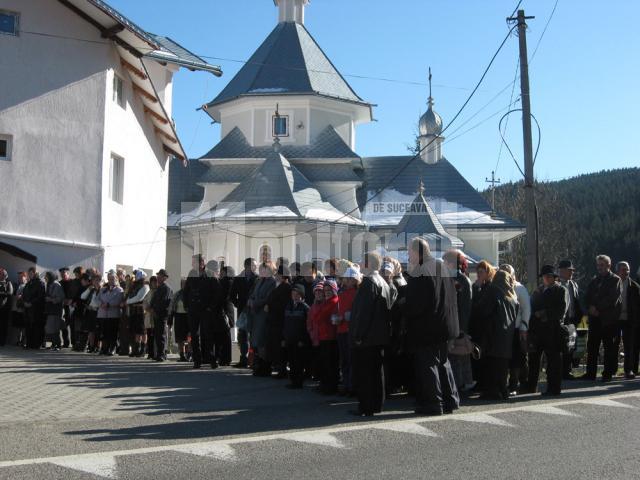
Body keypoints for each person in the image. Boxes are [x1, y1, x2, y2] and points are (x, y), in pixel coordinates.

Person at [403, 238, 459, 416]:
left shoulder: (420, 271)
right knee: (444, 363)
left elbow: (417, 304)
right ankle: (450, 400)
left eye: (409, 252)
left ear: (417, 252)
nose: (408, 256)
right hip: (445, 324)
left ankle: (433, 403)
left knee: (428, 365)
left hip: (427, 327)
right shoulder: (441, 266)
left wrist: (404, 305)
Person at [350, 251, 393, 417]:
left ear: (368, 264)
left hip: (367, 338)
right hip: (379, 336)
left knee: (365, 373)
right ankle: (377, 404)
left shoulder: (369, 282)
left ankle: (366, 406)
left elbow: (363, 313)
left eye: (362, 261)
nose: (359, 264)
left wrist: (358, 336)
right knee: (377, 372)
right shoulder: (383, 281)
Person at [476, 270, 518, 401]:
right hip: (507, 336)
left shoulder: (493, 291)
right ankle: (503, 390)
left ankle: (492, 391)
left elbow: (483, 310)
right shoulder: (512, 297)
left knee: (491, 365)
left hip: (492, 333)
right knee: (502, 366)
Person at [527, 265, 569, 395]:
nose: (546, 278)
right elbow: (531, 307)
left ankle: (554, 388)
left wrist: (544, 313)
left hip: (553, 330)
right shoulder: (538, 291)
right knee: (534, 360)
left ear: (554, 277)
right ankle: (531, 386)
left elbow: (561, 311)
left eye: (549, 276)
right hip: (537, 330)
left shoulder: (561, 290)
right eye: (544, 276)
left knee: (553, 361)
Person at [583, 255, 622, 382]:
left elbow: (612, 299)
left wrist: (597, 308)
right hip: (594, 320)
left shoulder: (615, 280)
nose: (599, 267)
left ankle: (607, 374)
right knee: (592, 347)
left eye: (602, 265)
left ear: (609, 265)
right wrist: (589, 307)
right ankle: (590, 373)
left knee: (608, 347)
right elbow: (587, 296)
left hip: (608, 320)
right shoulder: (594, 280)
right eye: (598, 265)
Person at [443, 251, 474, 393]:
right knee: (456, 356)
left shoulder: (461, 280)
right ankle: (459, 384)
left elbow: (465, 306)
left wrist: (462, 328)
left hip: (459, 325)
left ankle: (461, 385)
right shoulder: (452, 278)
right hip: (454, 323)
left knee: (459, 356)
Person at [500, 264, 530, 395]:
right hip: (504, 329)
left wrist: (524, 327)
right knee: (506, 358)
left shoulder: (519, 288)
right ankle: (507, 384)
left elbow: (526, 309)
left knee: (518, 358)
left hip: (517, 328)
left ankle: (515, 384)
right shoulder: (498, 287)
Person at [183, 255, 215, 369]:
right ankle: (197, 360)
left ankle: (211, 358)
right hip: (193, 309)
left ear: (202, 263)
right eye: (192, 262)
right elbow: (185, 291)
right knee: (194, 335)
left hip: (205, 310)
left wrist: (211, 307)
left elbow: (217, 293)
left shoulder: (210, 275)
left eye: (195, 262)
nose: (193, 264)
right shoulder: (191, 274)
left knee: (207, 334)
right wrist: (186, 305)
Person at [469, 260, 496, 392]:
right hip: (476, 327)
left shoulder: (490, 287)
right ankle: (479, 381)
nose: (479, 274)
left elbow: (480, 307)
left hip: (486, 328)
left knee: (483, 355)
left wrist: (476, 288)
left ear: (488, 272)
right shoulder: (478, 286)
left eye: (481, 272)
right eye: (477, 272)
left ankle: (484, 382)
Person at [247, 261, 277, 376]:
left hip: (264, 315)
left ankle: (265, 366)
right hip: (255, 314)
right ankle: (258, 365)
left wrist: (255, 303)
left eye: (265, 269)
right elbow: (253, 294)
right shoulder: (259, 281)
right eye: (261, 270)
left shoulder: (272, 282)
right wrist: (250, 300)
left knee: (262, 341)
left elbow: (268, 298)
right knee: (255, 341)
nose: (262, 272)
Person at [336, 265, 360, 396]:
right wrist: (336, 317)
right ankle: (346, 384)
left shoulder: (357, 293)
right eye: (346, 278)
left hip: (350, 330)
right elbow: (338, 309)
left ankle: (352, 385)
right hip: (341, 329)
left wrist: (348, 316)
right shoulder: (342, 293)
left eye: (350, 279)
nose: (347, 281)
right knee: (344, 360)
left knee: (351, 360)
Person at [229, 258, 257, 368]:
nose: (255, 267)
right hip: (243, 311)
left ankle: (253, 359)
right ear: (247, 266)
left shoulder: (257, 278)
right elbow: (232, 295)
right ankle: (243, 358)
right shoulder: (238, 279)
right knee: (242, 335)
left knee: (254, 335)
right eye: (253, 265)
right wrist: (238, 304)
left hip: (254, 310)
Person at [557, 260, 583, 379]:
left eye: (572, 270)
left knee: (571, 346)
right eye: (569, 270)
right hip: (561, 322)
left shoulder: (574, 284)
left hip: (572, 321)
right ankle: (560, 371)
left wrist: (578, 317)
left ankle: (567, 371)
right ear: (562, 271)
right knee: (561, 347)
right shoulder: (556, 284)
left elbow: (577, 303)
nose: (572, 272)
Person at [265, 265, 292, 378]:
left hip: (280, 321)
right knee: (276, 346)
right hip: (274, 321)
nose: (276, 276)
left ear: (282, 276)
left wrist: (270, 307)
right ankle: (279, 367)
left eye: (278, 274)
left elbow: (282, 305)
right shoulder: (279, 286)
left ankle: (282, 369)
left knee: (280, 346)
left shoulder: (286, 287)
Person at [615, 262, 640, 378]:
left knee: (629, 345)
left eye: (628, 270)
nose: (626, 272)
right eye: (623, 269)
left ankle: (628, 370)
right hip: (614, 319)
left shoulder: (635, 287)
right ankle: (611, 369)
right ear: (617, 271)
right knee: (613, 345)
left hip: (629, 320)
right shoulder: (612, 283)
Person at [283, 284, 311, 388]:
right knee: (291, 361)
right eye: (293, 294)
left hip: (299, 340)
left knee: (298, 361)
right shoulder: (288, 305)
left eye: (297, 294)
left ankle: (298, 382)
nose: (294, 296)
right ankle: (293, 380)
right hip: (290, 338)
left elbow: (307, 326)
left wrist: (303, 339)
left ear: (301, 295)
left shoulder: (305, 308)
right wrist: (284, 337)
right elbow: (285, 323)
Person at [316, 279, 340, 394]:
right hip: (323, 335)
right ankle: (325, 384)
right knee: (324, 363)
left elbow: (324, 317)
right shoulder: (325, 302)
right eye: (325, 290)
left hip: (331, 337)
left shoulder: (334, 301)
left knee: (330, 364)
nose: (327, 292)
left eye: (329, 290)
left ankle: (330, 386)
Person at [97, 270, 124, 356]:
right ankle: (104, 348)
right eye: (109, 279)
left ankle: (112, 348)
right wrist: (101, 304)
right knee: (104, 332)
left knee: (112, 332)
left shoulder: (119, 290)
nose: (111, 281)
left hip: (113, 315)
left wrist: (108, 304)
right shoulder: (103, 289)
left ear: (116, 279)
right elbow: (96, 299)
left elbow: (118, 300)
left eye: (112, 279)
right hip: (103, 314)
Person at [125, 271, 150, 357]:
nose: (135, 276)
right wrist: (128, 300)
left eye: (136, 275)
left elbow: (139, 298)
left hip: (141, 311)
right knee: (136, 331)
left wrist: (128, 301)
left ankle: (142, 350)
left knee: (143, 331)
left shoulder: (145, 286)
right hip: (134, 310)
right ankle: (136, 349)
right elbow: (130, 295)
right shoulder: (135, 286)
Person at [151, 269, 173, 362]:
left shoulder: (166, 288)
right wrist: (151, 307)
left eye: (160, 276)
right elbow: (154, 300)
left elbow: (164, 302)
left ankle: (162, 354)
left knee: (162, 335)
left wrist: (155, 308)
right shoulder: (159, 288)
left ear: (164, 277)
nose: (158, 277)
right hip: (156, 314)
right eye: (158, 276)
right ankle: (159, 353)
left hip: (162, 314)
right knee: (158, 335)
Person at [22, 267, 46, 349]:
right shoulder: (28, 283)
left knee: (36, 327)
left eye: (31, 273)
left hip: (36, 310)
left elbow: (40, 296)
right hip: (28, 309)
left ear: (35, 274)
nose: (29, 275)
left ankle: (36, 345)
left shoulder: (40, 283)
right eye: (29, 273)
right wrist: (24, 302)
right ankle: (29, 344)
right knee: (28, 327)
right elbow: (24, 294)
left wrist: (31, 303)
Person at [169, 279, 190, 362]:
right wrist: (170, 316)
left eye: (185, 283)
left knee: (189, 337)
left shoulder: (190, 294)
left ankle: (189, 354)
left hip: (188, 316)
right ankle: (182, 355)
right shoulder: (177, 294)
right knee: (179, 337)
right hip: (178, 316)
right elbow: (172, 305)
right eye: (182, 284)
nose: (183, 285)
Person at [43, 271, 65, 351]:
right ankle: (53, 344)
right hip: (50, 310)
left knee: (54, 327)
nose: (45, 278)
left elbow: (60, 298)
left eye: (46, 276)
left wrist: (51, 299)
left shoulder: (56, 285)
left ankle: (57, 345)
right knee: (50, 328)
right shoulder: (49, 284)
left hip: (55, 310)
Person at [219, 266, 236, 366]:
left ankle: (225, 358)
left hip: (224, 311)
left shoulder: (225, 282)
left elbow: (222, 296)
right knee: (226, 335)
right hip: (229, 310)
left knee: (224, 336)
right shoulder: (232, 282)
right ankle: (226, 358)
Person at [82, 274, 102, 353]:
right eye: (94, 280)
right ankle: (91, 346)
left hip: (99, 311)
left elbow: (100, 301)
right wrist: (88, 289)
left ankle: (98, 347)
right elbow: (82, 297)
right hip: (91, 312)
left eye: (97, 280)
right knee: (91, 330)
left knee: (98, 331)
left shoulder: (102, 290)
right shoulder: (92, 290)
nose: (95, 282)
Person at [12, 271, 27, 347]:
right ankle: (18, 340)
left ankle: (23, 341)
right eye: (19, 277)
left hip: (23, 309)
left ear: (25, 277)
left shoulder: (27, 285)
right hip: (16, 308)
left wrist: (22, 296)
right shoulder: (16, 285)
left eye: (21, 277)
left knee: (23, 326)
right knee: (17, 326)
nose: (20, 278)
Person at [0, 268, 14, 346]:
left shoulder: (8, 283)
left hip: (4, 308)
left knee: (3, 325)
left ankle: (2, 342)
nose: (1, 275)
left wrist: (1, 293)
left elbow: (10, 293)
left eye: (2, 274)